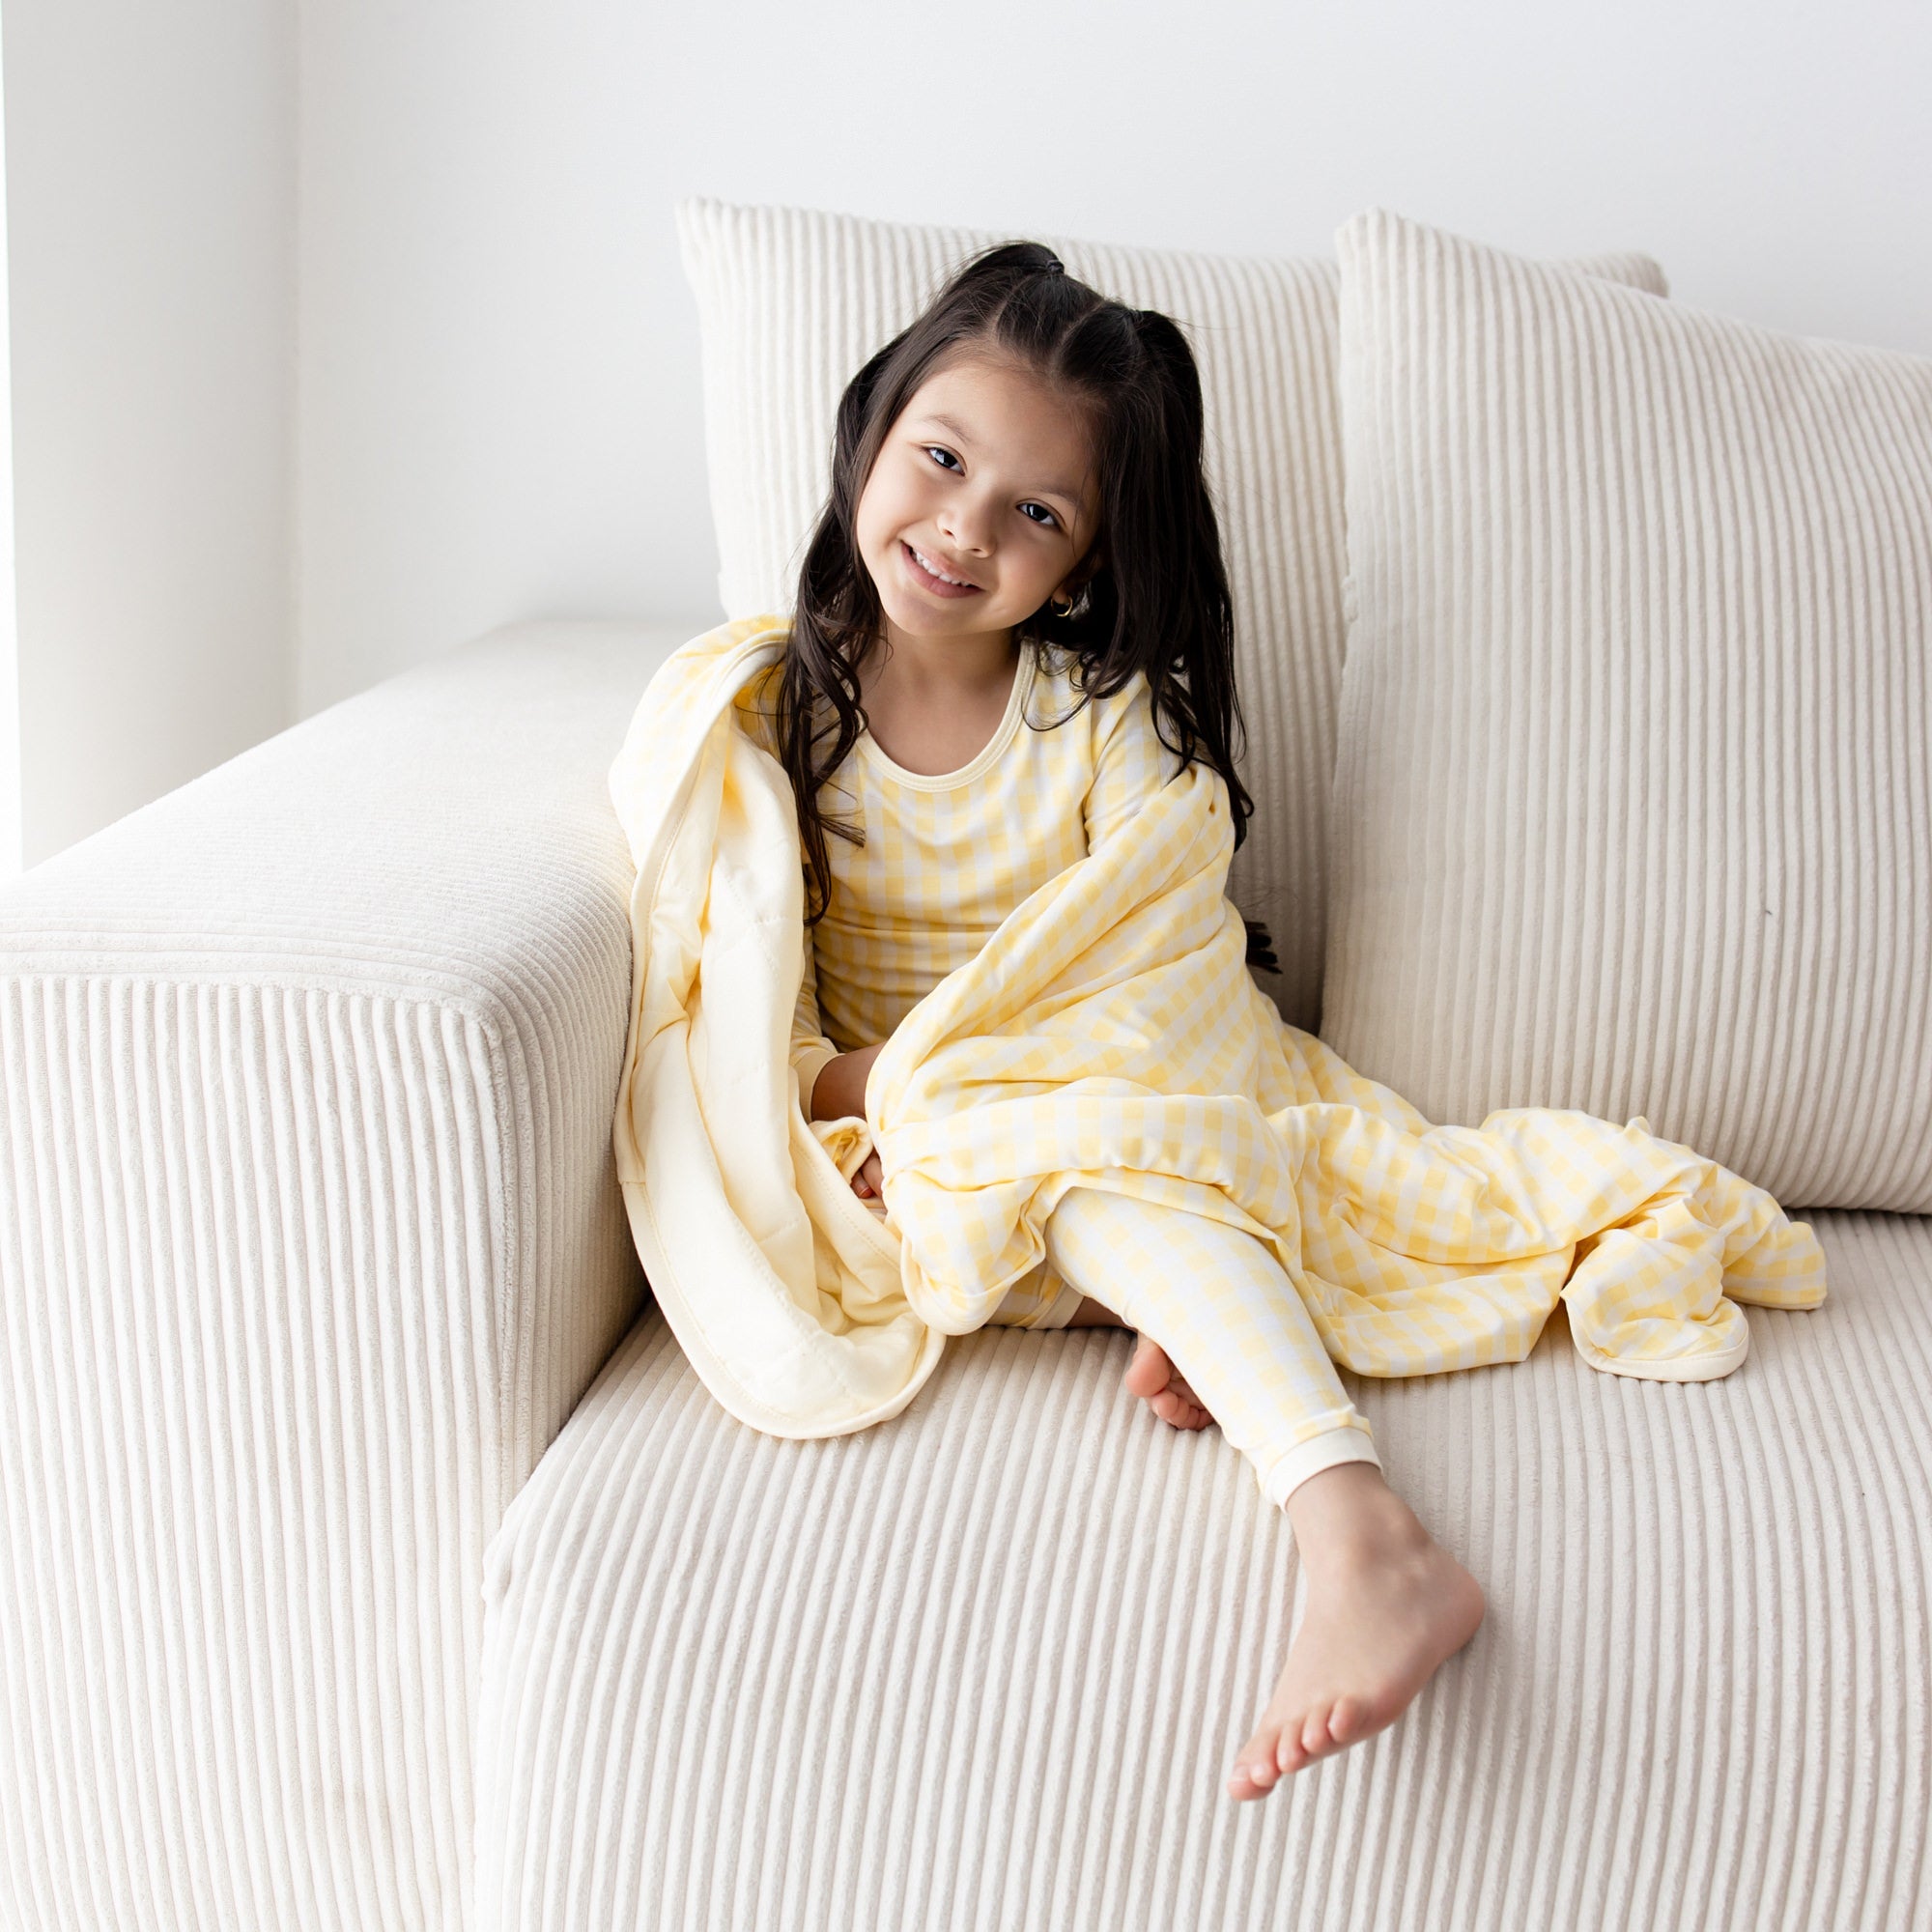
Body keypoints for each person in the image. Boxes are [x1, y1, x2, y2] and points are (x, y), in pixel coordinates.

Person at [748, 241, 1485, 1801]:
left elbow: (1157, 964)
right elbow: (735, 999)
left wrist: (955, 1083)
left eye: (1036, 512)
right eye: (941, 459)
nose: (963, 527)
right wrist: (875, 1088)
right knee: (984, 1185)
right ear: (874, 433)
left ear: (1077, 567)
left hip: (1097, 1095)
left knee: (1103, 1161)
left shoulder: (1101, 722)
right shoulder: (775, 724)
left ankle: (1361, 1534)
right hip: (905, 1144)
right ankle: (1177, 1302)